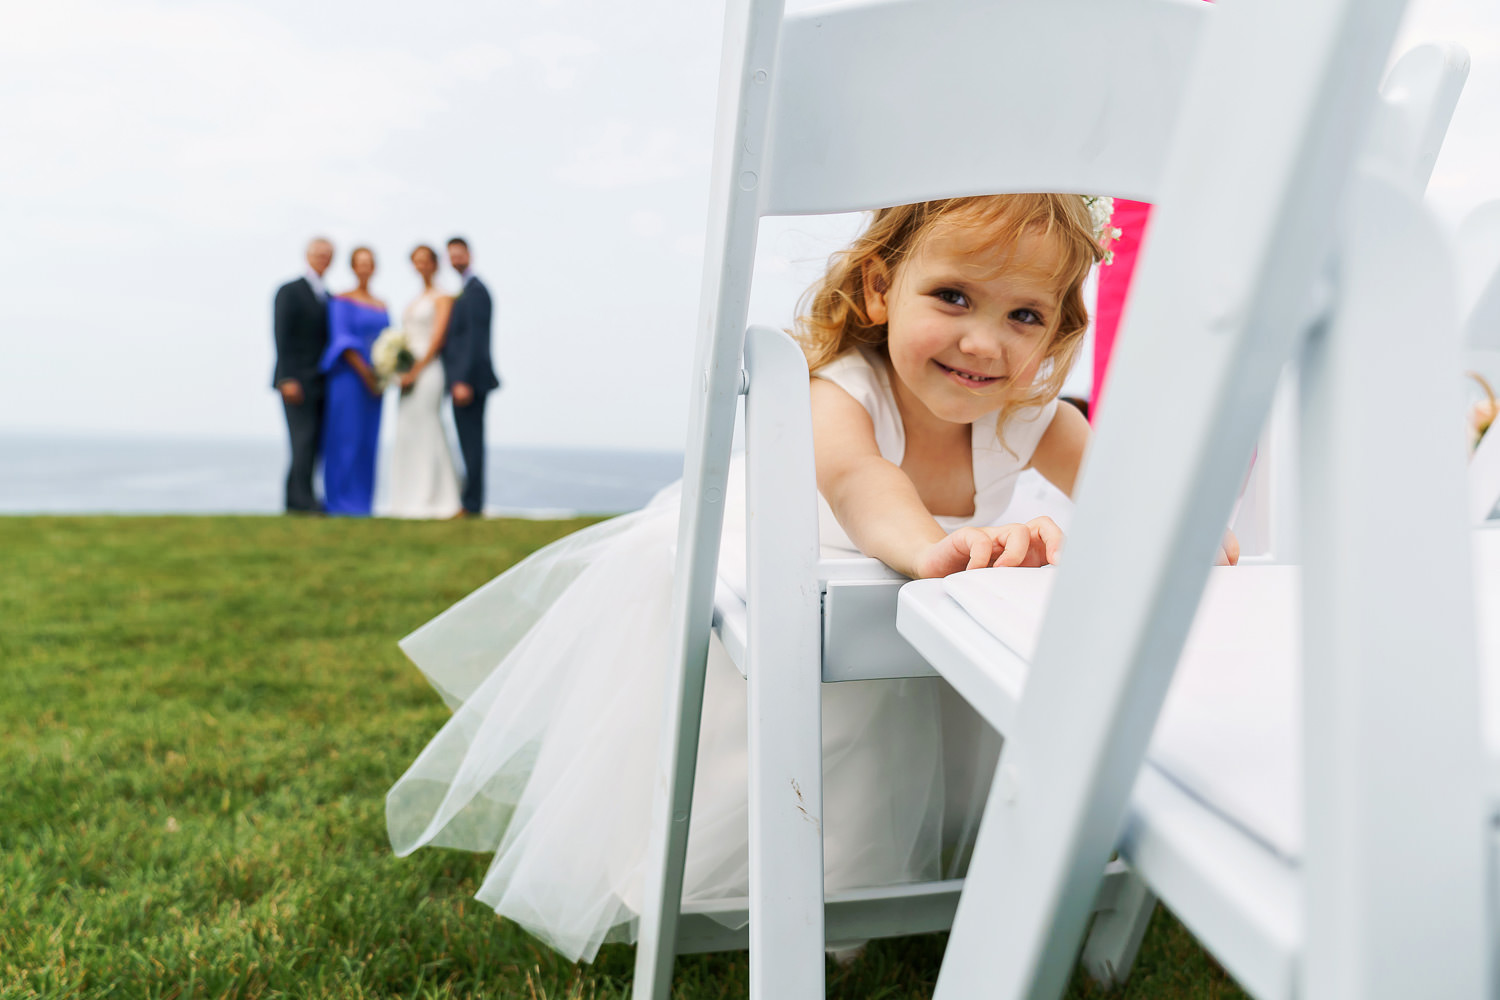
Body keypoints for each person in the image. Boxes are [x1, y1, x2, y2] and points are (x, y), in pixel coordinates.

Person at [385, 195, 1240, 963]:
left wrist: (1188, 528)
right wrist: (925, 548)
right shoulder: (840, 391)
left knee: (955, 703)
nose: (986, 341)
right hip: (794, 572)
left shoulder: (1029, 413)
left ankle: (939, 878)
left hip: (915, 594)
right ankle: (790, 885)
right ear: (879, 289)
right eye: (953, 297)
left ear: (1056, 334)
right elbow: (862, 485)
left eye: (1025, 314)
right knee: (813, 749)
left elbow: (1129, 485)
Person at [386, 246, 463, 519]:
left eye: (424, 261)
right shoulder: (414, 299)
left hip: (429, 371)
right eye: (415, 261)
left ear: (434, 264)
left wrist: (416, 371)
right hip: (408, 372)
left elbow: (437, 339)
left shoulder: (443, 298)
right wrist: (397, 369)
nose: (420, 265)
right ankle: (409, 495)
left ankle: (439, 497)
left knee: (429, 426)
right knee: (408, 430)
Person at [319, 246, 389, 517]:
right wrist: (366, 373)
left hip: (375, 385)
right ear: (352, 266)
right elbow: (343, 340)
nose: (365, 268)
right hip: (348, 380)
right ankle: (338, 502)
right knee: (343, 440)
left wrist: (383, 373)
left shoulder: (382, 304)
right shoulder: (340, 300)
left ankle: (363, 503)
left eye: (369, 263)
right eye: (360, 263)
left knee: (367, 442)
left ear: (374, 267)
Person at [271, 237, 333, 513]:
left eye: (327, 254)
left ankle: (302, 498)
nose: (322, 258)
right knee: (302, 440)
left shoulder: (329, 297)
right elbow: (281, 337)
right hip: (295, 381)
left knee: (314, 443)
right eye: (317, 253)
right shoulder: (289, 291)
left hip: (321, 381)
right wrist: (286, 378)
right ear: (307, 255)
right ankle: (300, 500)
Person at [441, 237, 500, 516]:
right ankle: (470, 501)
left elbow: (475, 340)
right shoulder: (464, 290)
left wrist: (461, 380)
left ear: (469, 255)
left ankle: (473, 504)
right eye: (451, 256)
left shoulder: (476, 291)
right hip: (466, 380)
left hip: (470, 382)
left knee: (472, 442)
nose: (455, 260)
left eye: (459, 255)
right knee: (469, 442)